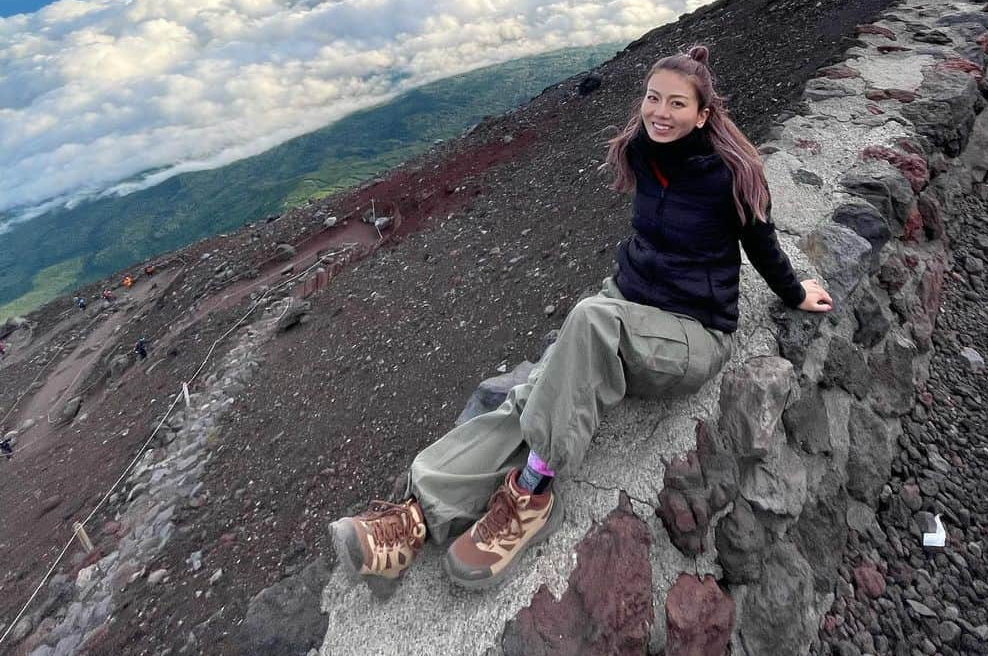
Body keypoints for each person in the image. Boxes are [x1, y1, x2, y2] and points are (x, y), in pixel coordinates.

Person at [329, 46, 832, 594]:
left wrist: (793, 291)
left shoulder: (734, 174)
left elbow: (761, 243)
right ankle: (417, 517)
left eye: (677, 104)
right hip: (627, 307)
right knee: (535, 393)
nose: (660, 112)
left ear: (704, 114)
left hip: (693, 333)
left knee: (589, 322)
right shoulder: (643, 152)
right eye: (652, 98)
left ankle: (533, 494)